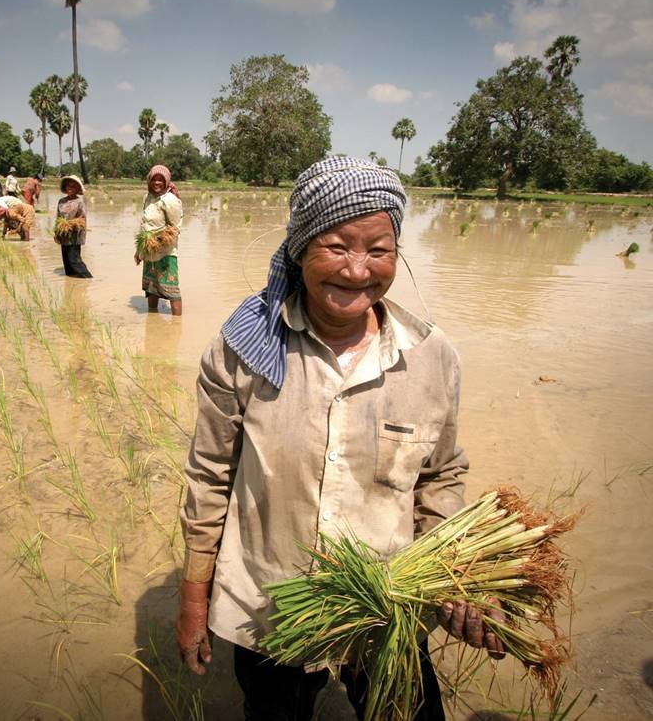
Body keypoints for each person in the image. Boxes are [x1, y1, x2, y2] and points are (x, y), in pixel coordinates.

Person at [175, 157, 503, 721]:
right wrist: (193, 598)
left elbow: (441, 476)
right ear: (300, 249)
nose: (357, 271)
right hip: (270, 605)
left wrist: (457, 577)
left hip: (387, 602)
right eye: (336, 247)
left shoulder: (430, 357)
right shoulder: (242, 352)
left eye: (378, 251)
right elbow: (209, 476)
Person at [134, 164, 182, 316]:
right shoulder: (147, 198)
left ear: (167, 181)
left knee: (172, 290)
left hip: (165, 253)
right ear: (149, 181)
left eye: (161, 180)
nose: (157, 183)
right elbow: (144, 225)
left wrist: (158, 241)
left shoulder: (170, 200)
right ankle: (152, 320)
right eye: (154, 179)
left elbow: (175, 228)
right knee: (151, 288)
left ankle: (177, 324)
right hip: (149, 250)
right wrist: (140, 250)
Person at [54, 175, 92, 278]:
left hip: (74, 235)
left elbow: (82, 218)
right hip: (63, 234)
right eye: (68, 186)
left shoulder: (80, 201)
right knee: (67, 263)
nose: (70, 188)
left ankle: (88, 278)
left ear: (77, 188)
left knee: (74, 260)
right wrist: (56, 232)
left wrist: (70, 224)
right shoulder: (61, 201)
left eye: (73, 186)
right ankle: (72, 283)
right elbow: (58, 217)